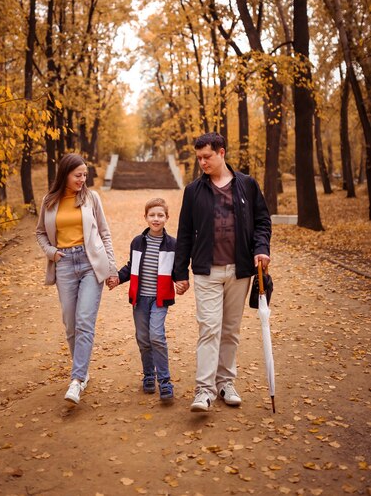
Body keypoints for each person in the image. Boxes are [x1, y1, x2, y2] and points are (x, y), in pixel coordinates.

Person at [173, 132, 271, 412]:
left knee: (230, 330)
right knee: (209, 328)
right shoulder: (193, 191)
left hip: (240, 271)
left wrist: (261, 248)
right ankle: (204, 390)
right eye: (199, 158)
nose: (202, 162)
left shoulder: (247, 185)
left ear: (222, 153)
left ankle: (225, 383)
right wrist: (180, 272)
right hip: (206, 271)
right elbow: (183, 233)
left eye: (207, 157)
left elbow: (262, 220)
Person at [36, 153, 118, 405]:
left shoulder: (91, 198)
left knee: (84, 320)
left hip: (90, 264)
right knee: (70, 324)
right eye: (78, 175)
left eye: (85, 175)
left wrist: (111, 268)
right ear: (65, 174)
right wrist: (52, 253)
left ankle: (77, 379)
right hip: (64, 266)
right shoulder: (49, 201)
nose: (83, 179)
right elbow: (40, 233)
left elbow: (104, 233)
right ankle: (81, 371)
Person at [107, 198, 176, 402]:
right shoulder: (138, 242)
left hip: (160, 299)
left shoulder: (172, 244)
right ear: (145, 217)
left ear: (166, 218)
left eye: (160, 215)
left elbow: (178, 268)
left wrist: (182, 280)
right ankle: (148, 375)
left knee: (156, 336)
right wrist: (118, 278)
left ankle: (165, 381)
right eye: (152, 215)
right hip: (140, 299)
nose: (156, 219)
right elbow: (131, 266)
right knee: (143, 339)